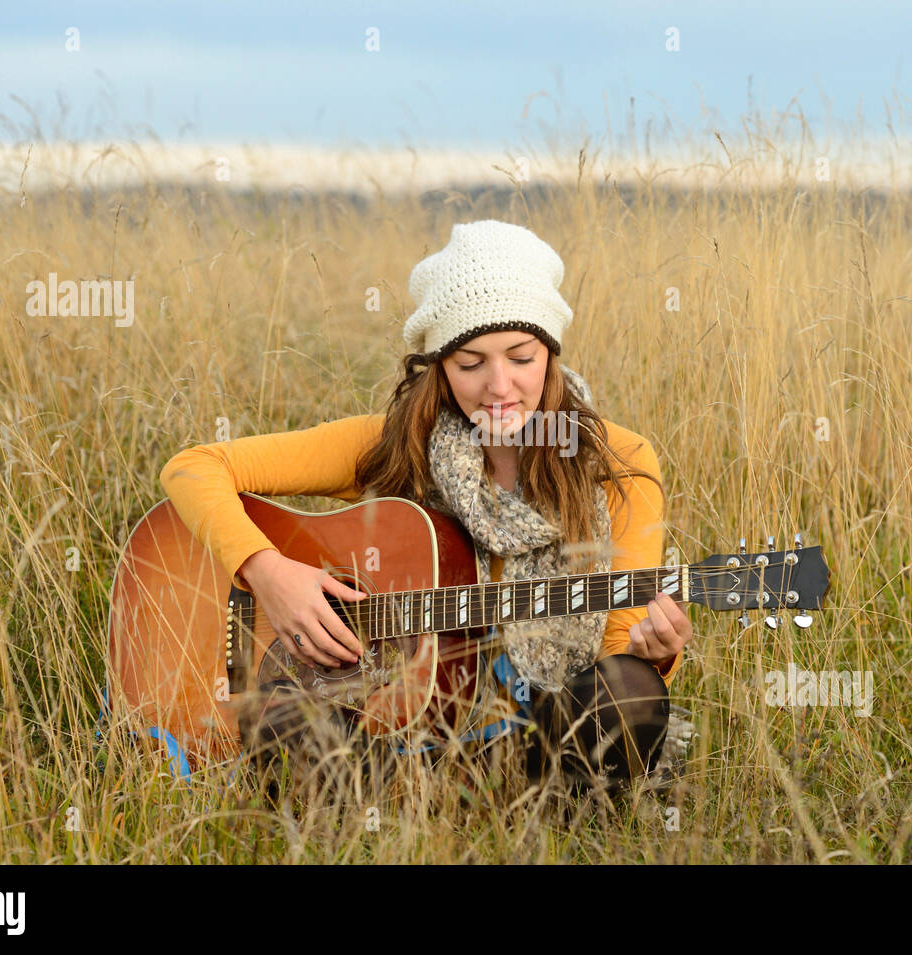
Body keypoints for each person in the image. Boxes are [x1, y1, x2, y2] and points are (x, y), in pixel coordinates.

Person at [159, 220, 693, 798]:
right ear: (439, 365)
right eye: (470, 363)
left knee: (632, 692)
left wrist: (655, 655)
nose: (499, 385)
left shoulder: (616, 462)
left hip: (535, 731)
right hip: (391, 725)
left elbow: (614, 653)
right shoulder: (391, 444)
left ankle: (536, 819)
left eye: (521, 357)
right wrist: (268, 574)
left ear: (551, 354)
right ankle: (390, 801)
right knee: (286, 718)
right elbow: (194, 467)